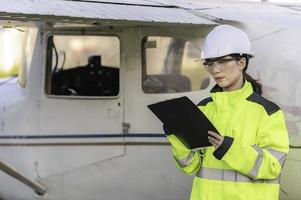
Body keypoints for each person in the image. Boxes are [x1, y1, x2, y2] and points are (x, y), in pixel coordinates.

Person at [164, 25, 289, 200]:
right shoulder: (203, 109)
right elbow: (190, 167)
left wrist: (230, 149)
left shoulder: (267, 112)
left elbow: (273, 166)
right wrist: (177, 137)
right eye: (210, 63)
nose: (215, 70)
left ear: (241, 63)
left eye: (222, 61)